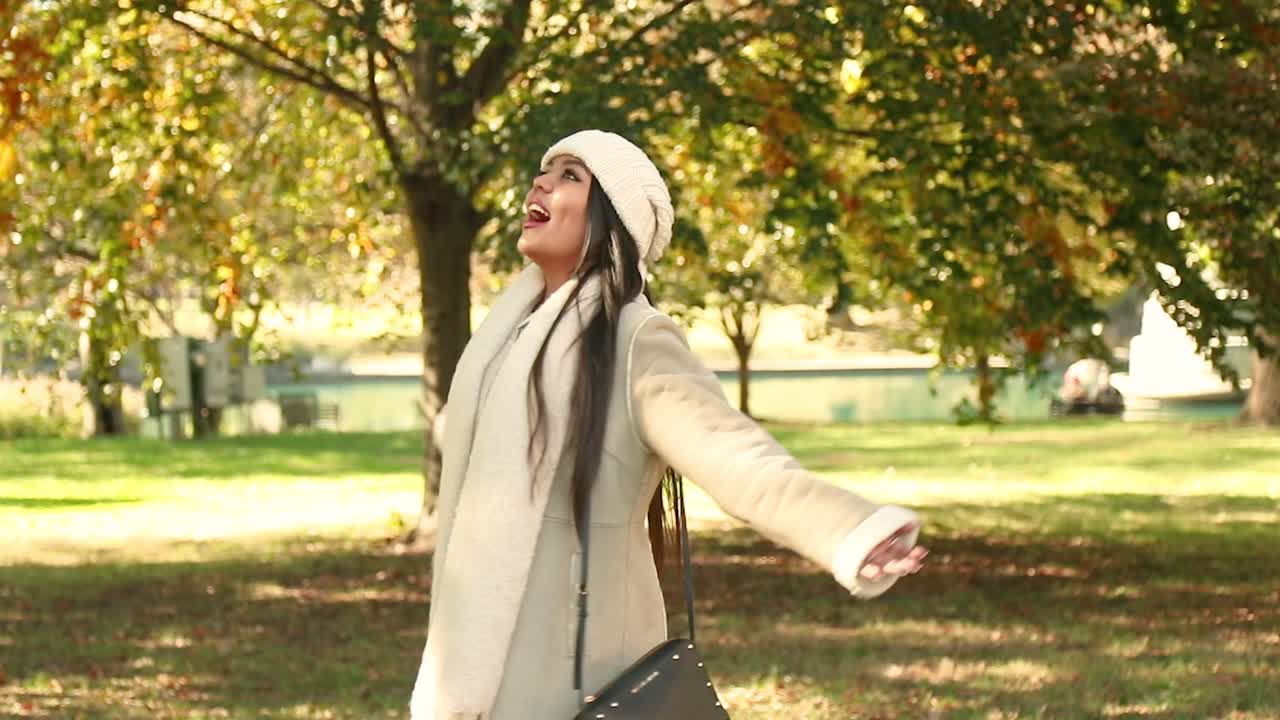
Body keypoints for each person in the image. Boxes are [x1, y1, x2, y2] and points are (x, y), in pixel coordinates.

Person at [409, 130, 928, 720]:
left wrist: (849, 530)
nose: (541, 183)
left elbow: (734, 457)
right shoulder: (503, 343)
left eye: (570, 176)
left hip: (580, 668)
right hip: (478, 660)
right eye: (543, 170)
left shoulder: (635, 340)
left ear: (614, 218)